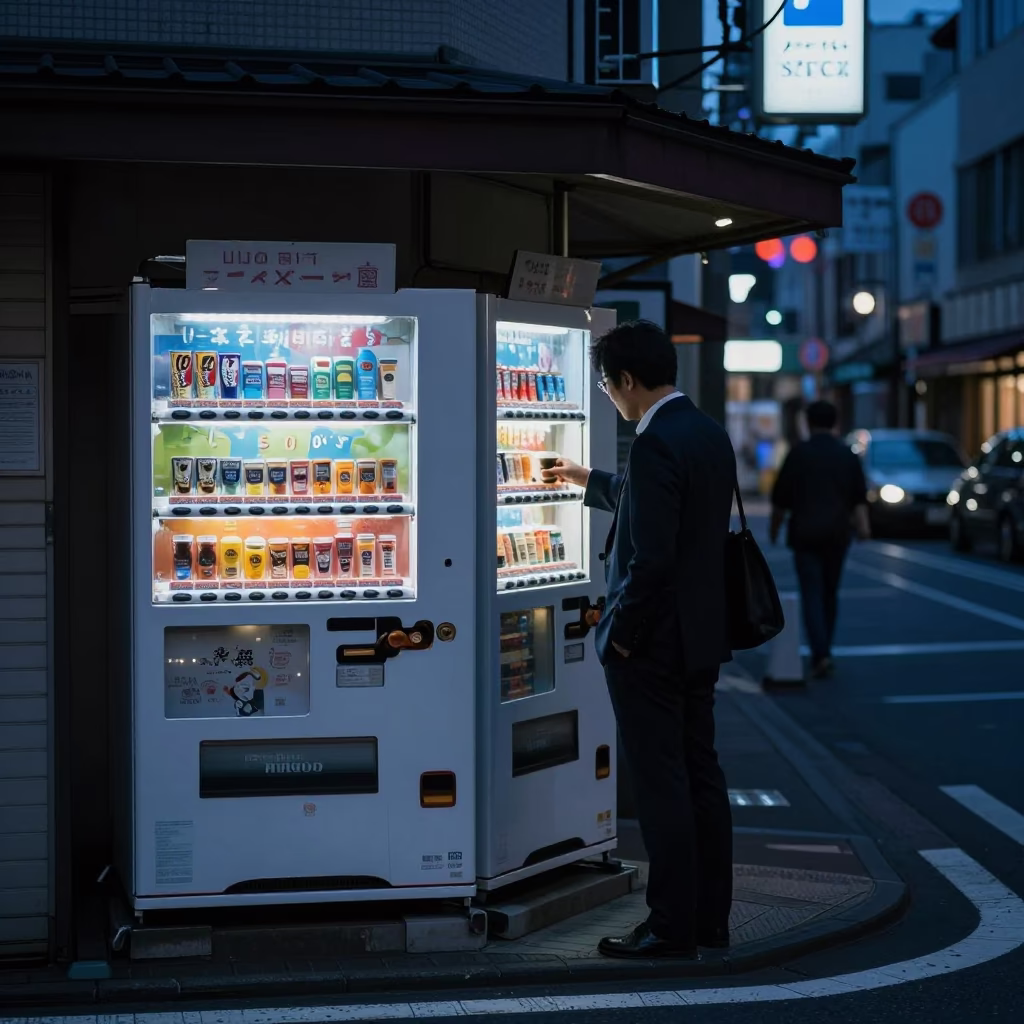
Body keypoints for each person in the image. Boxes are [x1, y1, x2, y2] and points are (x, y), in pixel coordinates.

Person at [544, 320, 736, 960]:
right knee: (701, 775)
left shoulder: (655, 444)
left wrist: (616, 638)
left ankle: (669, 926)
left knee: (661, 785)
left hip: (652, 645)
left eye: (606, 386)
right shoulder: (706, 433)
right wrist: (586, 478)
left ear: (627, 380)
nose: (610, 398)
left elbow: (651, 557)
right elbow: (657, 507)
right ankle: (710, 919)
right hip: (701, 637)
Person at [769, 400, 870, 679]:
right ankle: (825, 648)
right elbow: (858, 498)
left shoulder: (799, 453)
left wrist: (774, 530)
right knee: (829, 592)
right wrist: (863, 529)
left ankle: (820, 653)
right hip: (838, 534)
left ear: (808, 423)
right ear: (835, 423)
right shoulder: (847, 455)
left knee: (811, 592)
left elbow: (780, 499)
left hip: (804, 533)